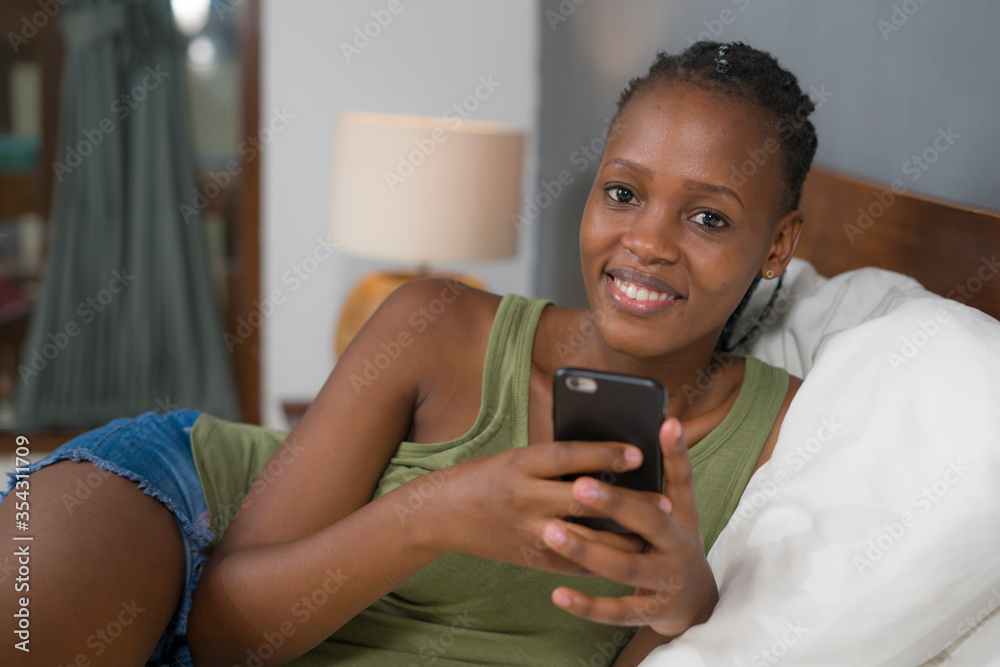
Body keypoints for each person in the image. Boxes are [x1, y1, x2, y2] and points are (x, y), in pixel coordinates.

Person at [0, 40, 817, 666]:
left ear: (777, 244)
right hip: (183, 505)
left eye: (708, 217)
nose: (645, 241)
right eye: (623, 192)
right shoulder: (437, 322)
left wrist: (689, 601)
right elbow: (222, 633)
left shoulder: (786, 432)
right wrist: (437, 512)